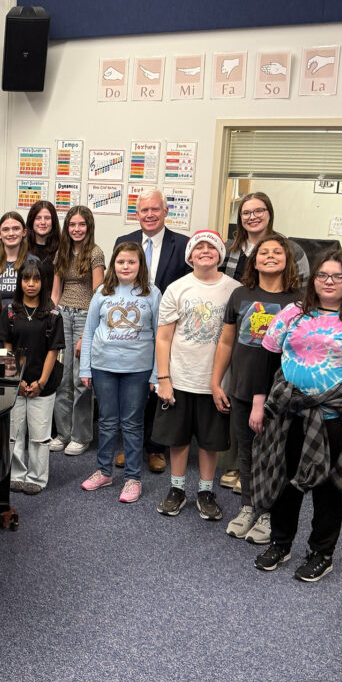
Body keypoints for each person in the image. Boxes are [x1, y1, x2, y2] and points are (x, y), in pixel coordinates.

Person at [252, 250, 342, 582]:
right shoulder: (294, 313)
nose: (329, 282)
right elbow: (266, 358)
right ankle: (280, 543)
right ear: (313, 279)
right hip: (289, 413)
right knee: (285, 481)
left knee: (328, 488)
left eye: (337, 276)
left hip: (334, 419)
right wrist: (258, 404)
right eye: (322, 275)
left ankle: (321, 553)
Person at [210, 233, 302, 541]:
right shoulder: (240, 295)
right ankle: (249, 507)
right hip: (242, 387)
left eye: (277, 252)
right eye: (264, 252)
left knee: (275, 456)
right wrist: (216, 381)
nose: (270, 256)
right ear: (254, 260)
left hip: (282, 393)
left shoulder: (300, 300)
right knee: (247, 453)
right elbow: (226, 341)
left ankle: (268, 513)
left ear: (288, 260)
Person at [153, 230, 240, 520]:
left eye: (211, 247)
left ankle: (205, 491)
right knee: (178, 439)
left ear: (220, 255)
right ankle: (177, 489)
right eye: (198, 247)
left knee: (210, 441)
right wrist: (163, 379)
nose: (205, 251)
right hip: (180, 378)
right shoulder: (177, 288)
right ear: (190, 256)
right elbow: (163, 337)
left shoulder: (234, 290)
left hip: (216, 382)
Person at [115, 188, 191, 473]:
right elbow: (116, 283)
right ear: (137, 214)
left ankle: (156, 447)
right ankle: (131, 446)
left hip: (168, 328)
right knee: (133, 389)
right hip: (131, 327)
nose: (149, 215)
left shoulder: (182, 244)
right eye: (144, 210)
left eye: (155, 209)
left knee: (160, 384)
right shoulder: (124, 241)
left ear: (165, 211)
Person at [79, 241, 161, 504]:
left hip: (138, 369)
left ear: (140, 265)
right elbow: (89, 331)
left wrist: (156, 374)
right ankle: (104, 472)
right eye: (121, 261)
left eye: (131, 262)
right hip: (103, 367)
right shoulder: (102, 291)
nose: (126, 266)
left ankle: (133, 478)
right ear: (113, 264)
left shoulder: (152, 293)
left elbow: (160, 336)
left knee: (132, 423)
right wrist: (85, 367)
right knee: (106, 421)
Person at [0, 260, 64, 495]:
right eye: (26, 279)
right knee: (14, 434)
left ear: (43, 282)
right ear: (20, 281)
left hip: (43, 385)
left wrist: (41, 383)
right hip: (16, 383)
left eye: (36, 279)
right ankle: (15, 474)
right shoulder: (10, 312)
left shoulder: (53, 315)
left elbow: (53, 351)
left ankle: (36, 476)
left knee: (39, 435)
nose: (31, 284)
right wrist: (17, 379)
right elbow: (6, 347)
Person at [49, 206, 105, 457]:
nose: (77, 229)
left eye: (81, 224)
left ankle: (81, 436)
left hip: (85, 316)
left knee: (80, 379)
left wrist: (87, 334)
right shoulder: (61, 251)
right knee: (62, 378)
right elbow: (55, 292)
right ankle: (63, 434)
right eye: (72, 224)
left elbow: (98, 295)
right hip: (63, 315)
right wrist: (51, 319)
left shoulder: (95, 253)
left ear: (89, 226)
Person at [222, 191, 310, 284]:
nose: (252, 217)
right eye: (246, 213)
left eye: (259, 211)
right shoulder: (228, 249)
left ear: (270, 214)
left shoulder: (293, 250)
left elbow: (303, 288)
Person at [0, 210, 35, 307]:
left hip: (24, 315)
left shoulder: (33, 262)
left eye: (16, 228)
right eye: (5, 229)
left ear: (24, 232)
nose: (11, 233)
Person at [24, 200, 59, 292]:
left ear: (53, 222)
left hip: (53, 300)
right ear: (31, 221)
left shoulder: (62, 249)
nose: (43, 222)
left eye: (47, 218)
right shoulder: (22, 248)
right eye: (38, 218)